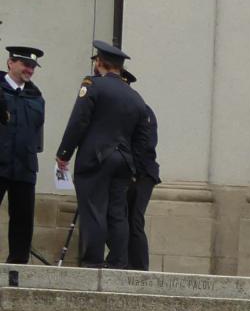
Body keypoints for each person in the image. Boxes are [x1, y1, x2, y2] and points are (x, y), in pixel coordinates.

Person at [54, 41, 151, 269]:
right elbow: (143, 138)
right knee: (118, 213)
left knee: (94, 209)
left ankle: (93, 262)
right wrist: (135, 166)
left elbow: (78, 121)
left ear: (99, 63)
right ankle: (118, 261)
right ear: (120, 68)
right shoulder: (136, 97)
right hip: (124, 162)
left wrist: (64, 153)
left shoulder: (93, 85)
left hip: (95, 159)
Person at [0, 45, 46, 264]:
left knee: (23, 220)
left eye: (33, 66)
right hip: (0, 162)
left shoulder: (36, 97)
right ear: (10, 63)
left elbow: (37, 132)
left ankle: (17, 266)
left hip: (24, 166)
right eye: (25, 64)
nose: (30, 70)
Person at [120, 68, 159, 272]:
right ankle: (122, 260)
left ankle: (140, 268)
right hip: (125, 172)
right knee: (120, 219)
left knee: (134, 219)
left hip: (142, 173)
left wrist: (133, 172)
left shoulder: (142, 110)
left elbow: (145, 145)